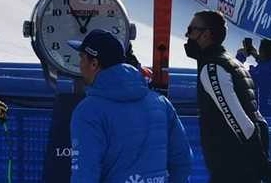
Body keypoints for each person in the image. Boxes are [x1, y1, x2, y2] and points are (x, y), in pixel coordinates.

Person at [68, 30, 191, 183]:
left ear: (94, 64)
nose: (79, 65)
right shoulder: (160, 103)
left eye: (81, 58)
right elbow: (182, 161)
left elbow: (85, 174)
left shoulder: (88, 111)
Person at [184, 11, 271, 183]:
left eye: (192, 29)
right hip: (241, 168)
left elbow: (242, 123)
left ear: (207, 34)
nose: (188, 35)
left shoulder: (213, 68)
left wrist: (262, 165)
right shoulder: (234, 64)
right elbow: (258, 120)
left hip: (232, 169)